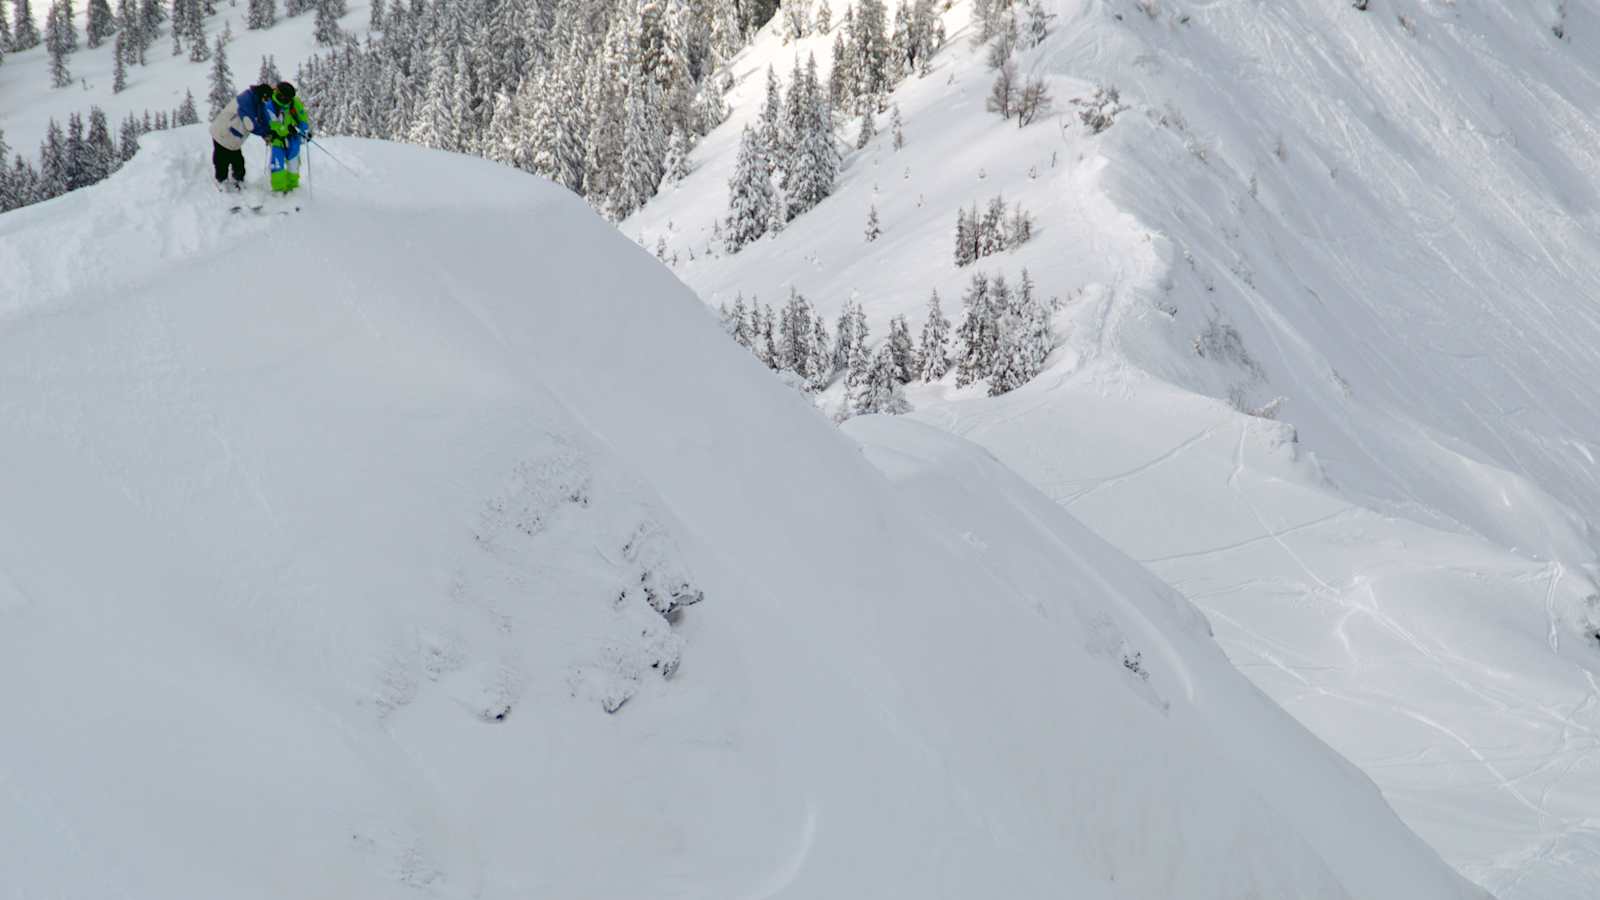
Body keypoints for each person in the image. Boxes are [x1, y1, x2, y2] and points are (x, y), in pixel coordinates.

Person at [208, 83, 275, 192]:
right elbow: (250, 125)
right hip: (222, 132)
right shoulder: (246, 100)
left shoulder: (257, 100)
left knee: (237, 160)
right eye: (266, 98)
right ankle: (221, 180)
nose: (267, 101)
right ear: (262, 94)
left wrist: (270, 130)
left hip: (234, 137)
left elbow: (264, 116)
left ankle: (238, 179)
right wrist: (265, 133)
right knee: (222, 159)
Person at [265, 81, 312, 194]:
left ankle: (293, 189)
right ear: (280, 94)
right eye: (285, 98)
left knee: (293, 163)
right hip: (277, 139)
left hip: (293, 138)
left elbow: (302, 117)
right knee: (277, 164)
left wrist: (305, 131)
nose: (287, 100)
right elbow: (273, 124)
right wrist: (286, 130)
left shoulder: (294, 102)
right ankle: (279, 190)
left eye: (289, 98)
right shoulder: (270, 106)